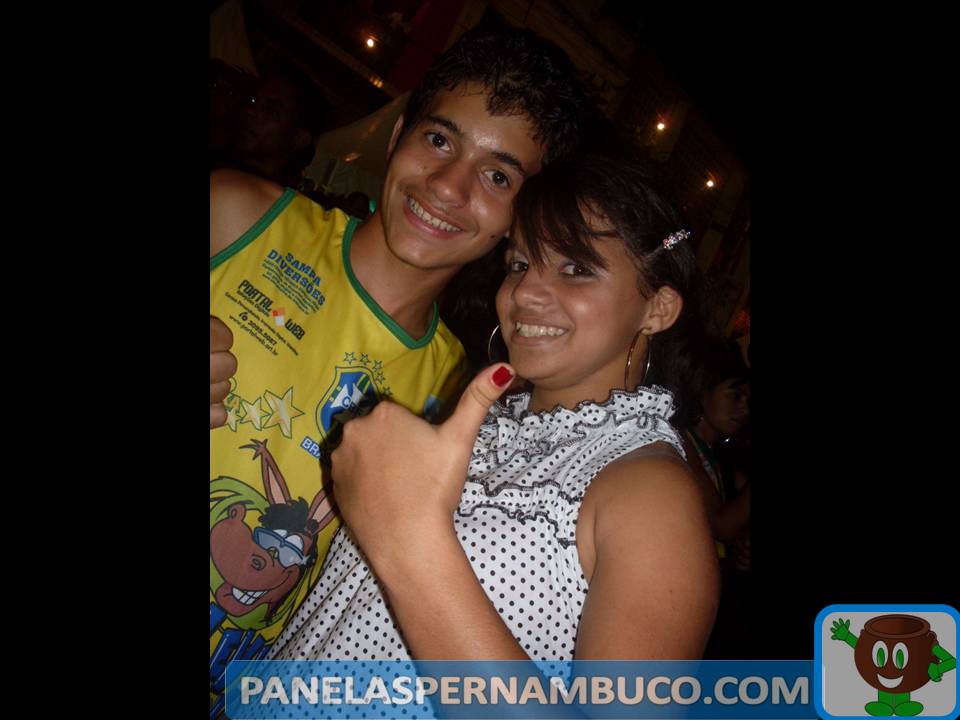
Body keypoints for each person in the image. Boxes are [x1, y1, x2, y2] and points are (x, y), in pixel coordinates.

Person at [209, 25, 589, 713]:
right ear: (396, 138)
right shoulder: (236, 216)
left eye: (497, 175)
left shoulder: (454, 399)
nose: (447, 187)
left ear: (519, 218)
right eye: (439, 140)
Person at [268, 154, 719, 663]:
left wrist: (408, 539)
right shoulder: (476, 425)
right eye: (520, 264)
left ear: (658, 308)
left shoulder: (650, 490)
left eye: (576, 269)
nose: (525, 292)